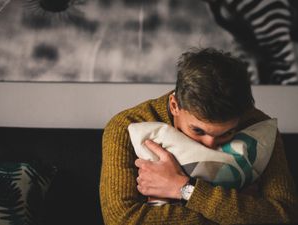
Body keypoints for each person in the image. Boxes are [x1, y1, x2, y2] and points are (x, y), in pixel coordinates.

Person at [99, 47, 298, 225]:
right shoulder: (126, 125)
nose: (210, 144)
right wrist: (237, 211)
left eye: (227, 133)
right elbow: (121, 220)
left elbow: (284, 216)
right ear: (174, 105)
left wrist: (184, 189)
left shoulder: (258, 127)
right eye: (198, 131)